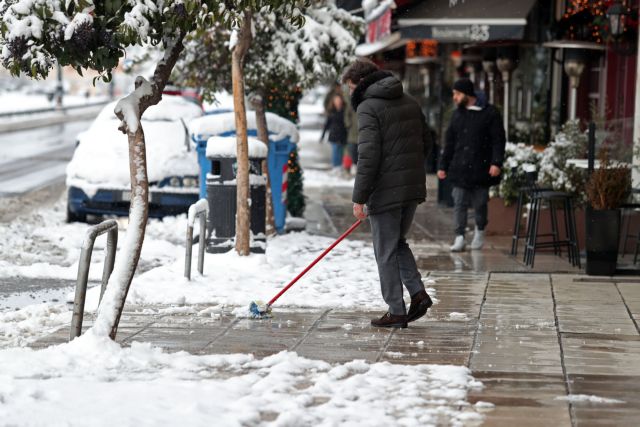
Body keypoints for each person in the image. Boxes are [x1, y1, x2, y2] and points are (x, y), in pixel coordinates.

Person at [343, 59, 433, 329]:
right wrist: (407, 172)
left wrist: (359, 197)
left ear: (360, 83)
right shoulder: (409, 101)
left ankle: (396, 310)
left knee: (384, 250)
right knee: (397, 243)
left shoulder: (368, 107)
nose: (349, 93)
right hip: (411, 185)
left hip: (385, 191)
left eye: (350, 87)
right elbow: (426, 142)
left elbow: (368, 156)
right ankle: (418, 294)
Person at [437, 78, 506, 252]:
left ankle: (480, 230)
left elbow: (498, 140)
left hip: (481, 169)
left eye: (457, 94)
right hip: (460, 168)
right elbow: (450, 142)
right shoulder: (457, 115)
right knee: (459, 202)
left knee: (480, 203)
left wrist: (496, 163)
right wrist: (442, 166)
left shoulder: (490, 113)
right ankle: (459, 236)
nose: (454, 97)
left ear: (467, 95)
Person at [321, 93, 348, 174]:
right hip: (334, 134)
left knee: (341, 151)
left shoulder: (345, 110)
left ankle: (339, 166)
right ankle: (335, 166)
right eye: (336, 100)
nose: (337, 102)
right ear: (333, 101)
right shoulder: (331, 111)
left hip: (343, 134)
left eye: (339, 100)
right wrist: (322, 135)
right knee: (335, 150)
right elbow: (327, 124)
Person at [343, 85, 358, 176]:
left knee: (360, 151)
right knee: (352, 149)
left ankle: (356, 166)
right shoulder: (351, 103)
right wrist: (348, 124)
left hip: (363, 132)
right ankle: (353, 165)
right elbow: (347, 115)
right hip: (352, 132)